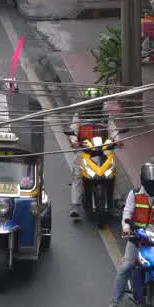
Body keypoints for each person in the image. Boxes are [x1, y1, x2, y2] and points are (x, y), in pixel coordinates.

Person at [108, 161, 154, 307]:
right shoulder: (134, 195)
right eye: (149, 185)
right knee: (126, 267)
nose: (152, 189)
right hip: (137, 239)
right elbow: (127, 213)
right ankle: (114, 302)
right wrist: (127, 229)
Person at [67, 87, 107, 220]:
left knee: (112, 172)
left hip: (101, 151)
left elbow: (113, 130)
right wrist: (73, 141)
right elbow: (73, 130)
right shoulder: (79, 115)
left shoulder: (106, 117)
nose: (94, 107)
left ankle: (117, 199)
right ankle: (75, 205)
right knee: (77, 175)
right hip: (83, 151)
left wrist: (118, 140)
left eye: (96, 104)